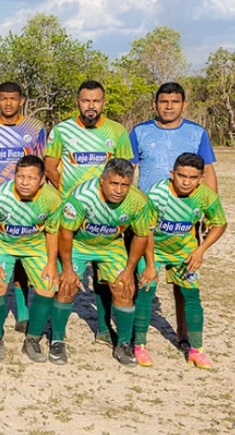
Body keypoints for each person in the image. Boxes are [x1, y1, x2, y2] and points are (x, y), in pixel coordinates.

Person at [130, 82, 218, 351]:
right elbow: (128, 169)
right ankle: (136, 338)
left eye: (175, 101)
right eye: (164, 101)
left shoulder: (197, 133)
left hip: (184, 221)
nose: (169, 106)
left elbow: (209, 172)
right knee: (142, 277)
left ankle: (184, 335)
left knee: (184, 281)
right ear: (155, 103)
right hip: (149, 220)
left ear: (184, 104)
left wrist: (206, 210)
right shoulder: (140, 131)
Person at [45, 80, 133, 345]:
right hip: (74, 214)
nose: (91, 106)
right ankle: (56, 336)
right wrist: (67, 197)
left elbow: (125, 169)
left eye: (96, 101)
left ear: (103, 103)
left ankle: (104, 328)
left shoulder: (116, 131)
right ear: (78, 102)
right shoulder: (62, 130)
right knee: (68, 277)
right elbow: (50, 166)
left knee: (105, 277)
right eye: (86, 101)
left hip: (108, 214)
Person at [57, 159, 153, 367]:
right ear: (102, 181)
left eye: (124, 185)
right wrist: (67, 268)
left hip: (111, 246)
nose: (118, 190)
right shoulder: (82, 197)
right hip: (79, 244)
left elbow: (141, 236)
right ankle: (57, 341)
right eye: (113, 184)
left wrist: (129, 270)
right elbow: (65, 233)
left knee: (124, 288)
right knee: (66, 286)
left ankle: (124, 344)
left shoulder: (139, 201)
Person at [135, 153, 227, 368]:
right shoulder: (156, 194)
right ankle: (139, 345)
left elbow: (220, 224)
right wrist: (150, 264)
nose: (186, 181)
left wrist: (200, 251)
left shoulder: (206, 196)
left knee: (192, 297)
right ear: (172, 174)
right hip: (154, 250)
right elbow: (145, 231)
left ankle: (196, 349)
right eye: (181, 175)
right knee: (146, 292)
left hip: (185, 252)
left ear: (201, 178)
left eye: (192, 177)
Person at [0, 81, 48, 331]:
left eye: (13, 98)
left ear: (22, 100)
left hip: (26, 202)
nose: (8, 103)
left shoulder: (35, 128)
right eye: (3, 98)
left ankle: (23, 314)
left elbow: (39, 165)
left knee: (22, 264)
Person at [0, 156, 63, 364]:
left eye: (30, 178)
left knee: (48, 285)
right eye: (20, 176)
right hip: (2, 245)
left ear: (42, 179)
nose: (24, 182)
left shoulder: (52, 199)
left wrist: (52, 263)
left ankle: (33, 339)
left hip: (35, 246)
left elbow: (52, 232)